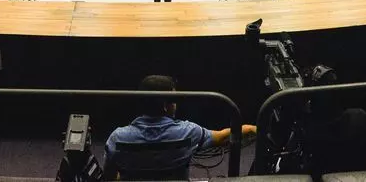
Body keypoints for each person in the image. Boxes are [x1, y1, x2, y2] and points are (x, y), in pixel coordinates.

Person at [104, 75, 256, 181]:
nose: (176, 105)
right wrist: (251, 129)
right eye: (174, 100)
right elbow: (222, 136)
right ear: (165, 106)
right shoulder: (188, 132)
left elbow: (108, 176)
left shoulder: (117, 138)